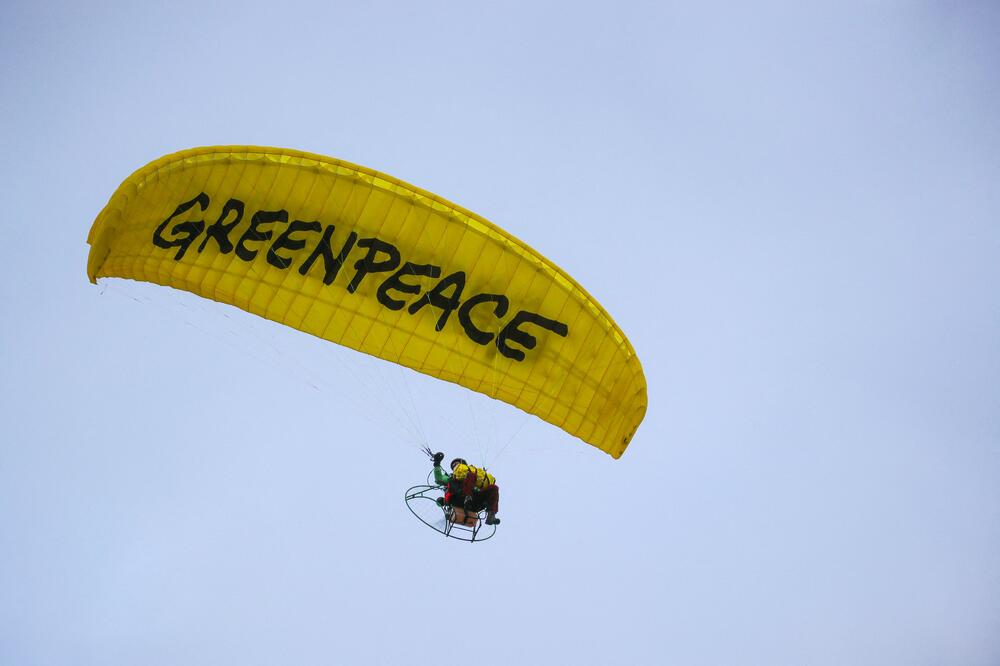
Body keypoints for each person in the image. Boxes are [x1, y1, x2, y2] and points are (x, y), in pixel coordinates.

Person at [431, 452, 501, 525]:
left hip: (475, 502)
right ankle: (467, 498)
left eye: (457, 464)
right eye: (454, 465)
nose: (456, 466)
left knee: (494, 488)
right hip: (459, 498)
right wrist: (437, 463)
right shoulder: (451, 477)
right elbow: (439, 479)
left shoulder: (475, 476)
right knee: (455, 479)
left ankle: (491, 515)